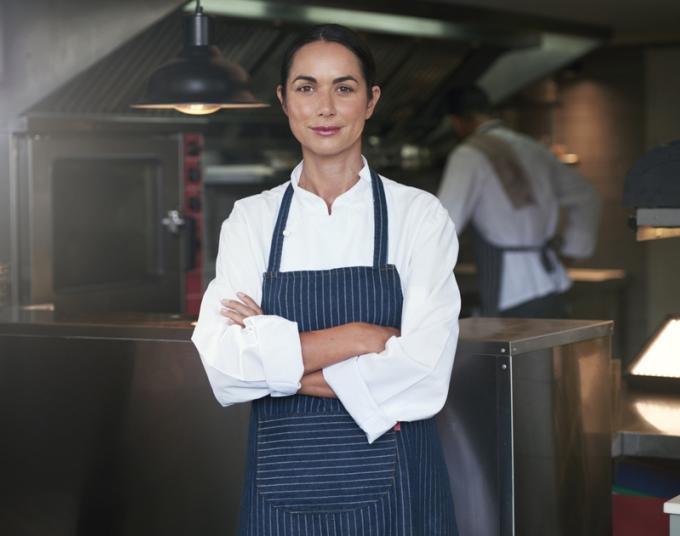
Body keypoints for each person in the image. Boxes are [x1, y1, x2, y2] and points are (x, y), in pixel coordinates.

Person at [192, 24, 460, 535]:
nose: (325, 107)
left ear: (370, 100)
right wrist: (361, 338)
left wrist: (275, 362)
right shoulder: (251, 220)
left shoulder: (418, 216)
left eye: (344, 87)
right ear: (284, 100)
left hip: (397, 489)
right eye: (306, 87)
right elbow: (225, 369)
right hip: (282, 488)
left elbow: (425, 378)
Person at [437, 85, 600, 318]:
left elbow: (443, 224)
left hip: (511, 289)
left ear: (458, 122)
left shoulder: (468, 154)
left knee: (518, 354)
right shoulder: (533, 148)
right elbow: (587, 196)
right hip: (549, 278)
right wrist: (572, 251)